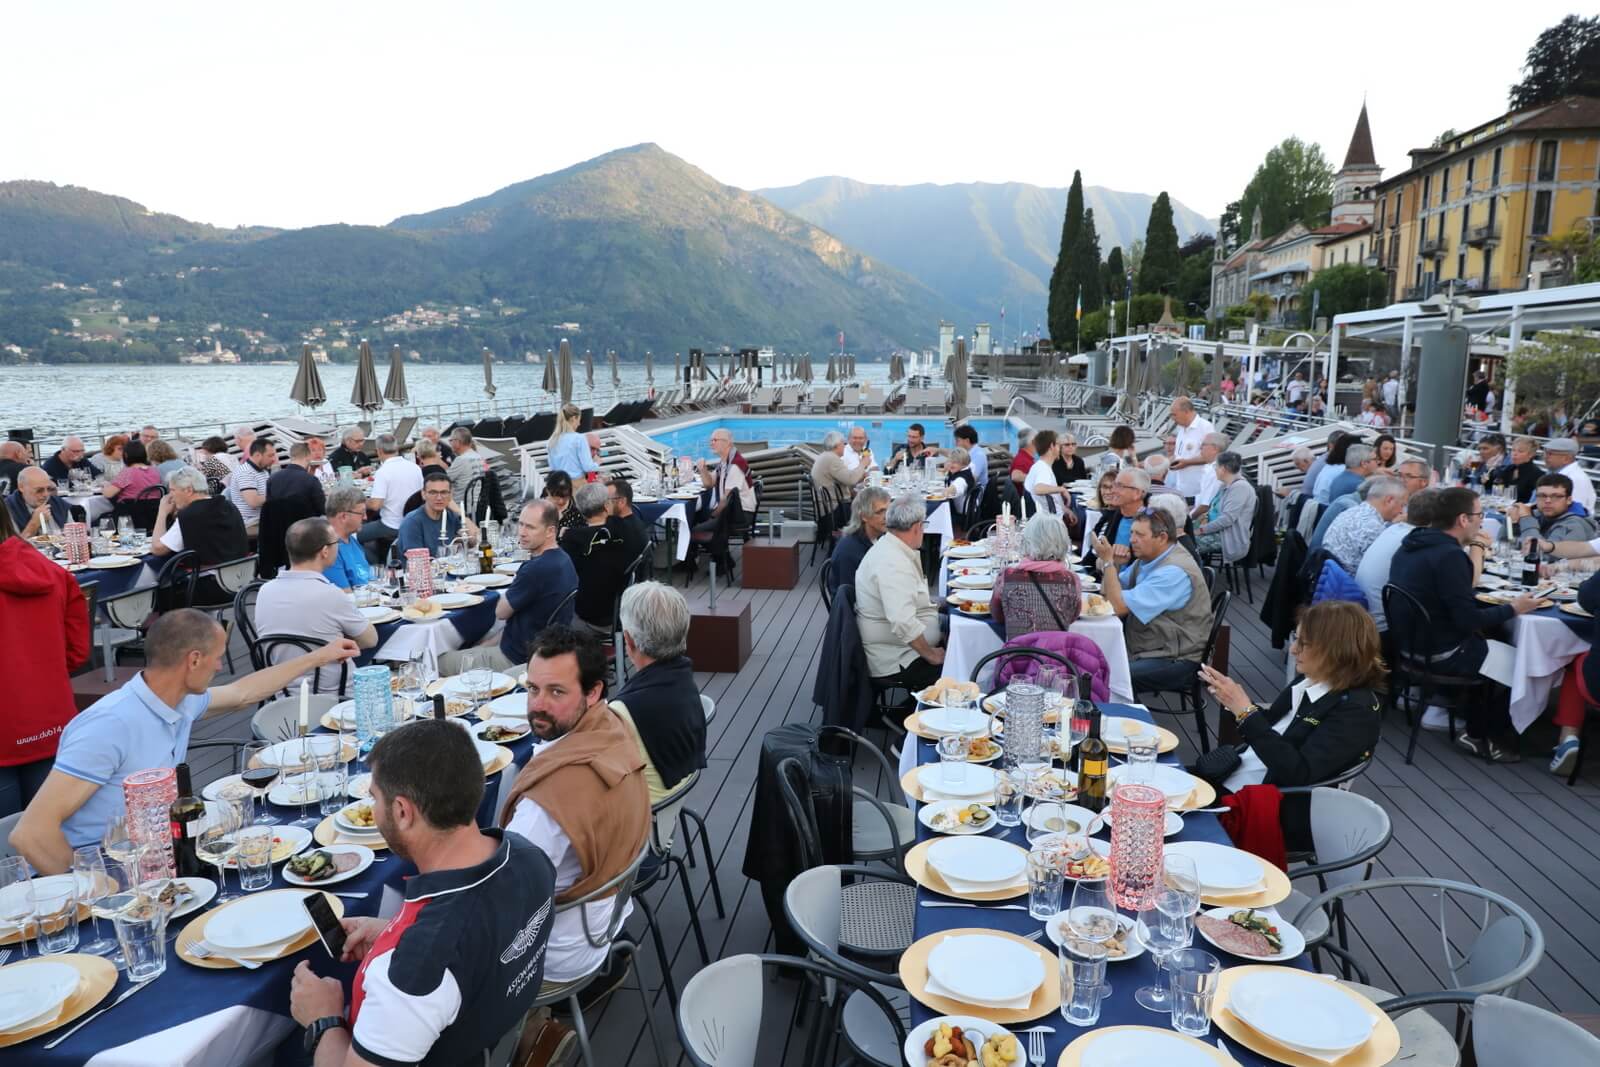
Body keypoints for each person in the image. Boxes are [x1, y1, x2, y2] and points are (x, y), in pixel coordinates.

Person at [288, 719, 555, 1067]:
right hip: (489, 1036)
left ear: (402, 811)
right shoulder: (529, 856)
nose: (375, 810)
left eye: (374, 799)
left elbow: (438, 958)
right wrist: (392, 933)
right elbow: (483, 934)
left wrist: (322, 1020)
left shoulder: (414, 977)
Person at [10, 610, 359, 870]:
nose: (221, 666)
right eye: (218, 657)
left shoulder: (178, 699)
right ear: (193, 660)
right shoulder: (109, 725)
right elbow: (30, 834)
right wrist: (98, 893)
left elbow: (242, 693)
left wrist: (319, 656)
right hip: (115, 869)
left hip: (165, 855)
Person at [500, 625, 650, 1059]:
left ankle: (526, 1035)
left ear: (592, 692)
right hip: (608, 918)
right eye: (532, 689)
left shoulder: (546, 809)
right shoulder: (613, 727)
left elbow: (498, 900)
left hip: (561, 951)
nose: (537, 707)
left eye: (556, 693)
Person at [1388, 487, 1541, 761]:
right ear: (1462, 519)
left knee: (1498, 641)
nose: (1481, 521)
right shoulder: (1450, 556)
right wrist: (1514, 608)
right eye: (1479, 515)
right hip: (1440, 652)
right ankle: (1482, 734)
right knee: (1528, 665)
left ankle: (1468, 714)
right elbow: (1467, 620)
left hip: (1408, 645)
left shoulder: (1412, 542)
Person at [1197, 601, 1384, 793]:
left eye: (1304, 643)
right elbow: (1272, 726)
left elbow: (1298, 774)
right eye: (1296, 638)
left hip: (1259, 803)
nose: (1293, 649)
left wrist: (1245, 712)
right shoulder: (1309, 680)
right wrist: (1233, 702)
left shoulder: (1356, 713)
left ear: (1336, 651)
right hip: (1233, 776)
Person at [0, 503, 87, 817]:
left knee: (7, 853)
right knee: (50, 831)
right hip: (51, 715)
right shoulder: (52, 571)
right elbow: (77, 651)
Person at [1090, 507, 1212, 692]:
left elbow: (1116, 606)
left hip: (1176, 659)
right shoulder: (1149, 558)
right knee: (1089, 661)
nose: (1131, 540)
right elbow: (1111, 595)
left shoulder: (1174, 572)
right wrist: (1113, 565)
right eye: (1132, 533)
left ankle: (1122, 716)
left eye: (1139, 534)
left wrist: (1108, 562)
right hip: (1151, 645)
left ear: (1162, 537)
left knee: (1106, 676)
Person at [609, 583, 707, 806]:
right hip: (672, 803)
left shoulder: (622, 712)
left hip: (644, 824)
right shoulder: (683, 679)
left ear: (629, 640)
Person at [254, 518, 379, 681]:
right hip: (335, 691)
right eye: (336, 543)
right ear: (325, 551)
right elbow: (370, 640)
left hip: (280, 688)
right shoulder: (331, 594)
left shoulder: (264, 591)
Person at [854, 495, 944, 690]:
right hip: (896, 658)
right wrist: (931, 655)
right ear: (917, 527)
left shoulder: (891, 546)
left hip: (900, 646)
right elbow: (903, 622)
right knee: (961, 667)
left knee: (954, 627)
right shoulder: (893, 564)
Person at [495, 500, 579, 670]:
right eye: (521, 524)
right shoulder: (564, 559)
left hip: (520, 658)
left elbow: (500, 613)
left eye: (530, 527)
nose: (522, 533)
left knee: (443, 660)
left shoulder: (534, 569)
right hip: (550, 647)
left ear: (550, 531)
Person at [150, 467, 249, 602]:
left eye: (172, 490)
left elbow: (157, 549)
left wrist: (162, 513)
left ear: (189, 490)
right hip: (241, 581)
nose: (170, 496)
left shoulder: (190, 515)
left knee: (154, 596)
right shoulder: (228, 505)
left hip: (210, 587)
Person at [991, 512, 1082, 639]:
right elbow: (1071, 617)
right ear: (1063, 542)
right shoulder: (1071, 580)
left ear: (1026, 541)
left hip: (1017, 656)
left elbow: (998, 616)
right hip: (1056, 656)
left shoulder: (1007, 576)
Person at [1356, 489, 1437, 633]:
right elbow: (1465, 584)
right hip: (1383, 631)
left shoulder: (1395, 529)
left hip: (1365, 618)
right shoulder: (1415, 541)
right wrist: (1477, 545)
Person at [561, 483, 630, 643]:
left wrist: (567, 534)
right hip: (619, 612)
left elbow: (562, 577)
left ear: (579, 509)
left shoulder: (572, 540)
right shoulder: (621, 528)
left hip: (589, 619)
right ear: (606, 505)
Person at [693, 428, 755, 574]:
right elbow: (709, 483)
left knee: (696, 531)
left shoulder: (734, 466)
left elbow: (725, 501)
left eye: (715, 440)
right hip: (733, 510)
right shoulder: (725, 462)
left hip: (741, 514)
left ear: (727, 443)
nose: (711, 443)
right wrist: (703, 469)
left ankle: (722, 561)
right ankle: (723, 559)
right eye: (711, 440)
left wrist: (713, 515)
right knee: (700, 516)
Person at [1322, 475, 1408, 574]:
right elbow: (1383, 569)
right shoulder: (1372, 527)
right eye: (1402, 505)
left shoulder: (1352, 511)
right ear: (1389, 500)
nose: (1402, 511)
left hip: (1330, 579)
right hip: (1348, 585)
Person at [359, 434, 423, 563]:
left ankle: (375, 565)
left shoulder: (383, 472)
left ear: (379, 451)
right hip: (413, 521)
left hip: (391, 524)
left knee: (351, 536)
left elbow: (375, 505)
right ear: (397, 448)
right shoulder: (415, 468)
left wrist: (359, 501)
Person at [1509, 474, 1598, 560]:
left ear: (1569, 500)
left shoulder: (1575, 524)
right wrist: (1512, 522)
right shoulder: (1536, 514)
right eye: (1542, 496)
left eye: (1556, 496)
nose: (1548, 501)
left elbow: (1541, 557)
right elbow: (1505, 545)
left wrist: (1526, 518)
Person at [1194, 451, 1256, 564]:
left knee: (1187, 544)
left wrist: (1201, 530)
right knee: (1180, 533)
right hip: (1217, 531)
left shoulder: (1240, 488)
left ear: (1223, 469)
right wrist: (1203, 520)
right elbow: (1214, 510)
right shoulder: (1225, 485)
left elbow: (1227, 519)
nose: (1215, 470)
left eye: (1215, 466)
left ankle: (1197, 576)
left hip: (1227, 538)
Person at [396, 471, 479, 556]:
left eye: (444, 492)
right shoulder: (412, 522)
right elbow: (417, 561)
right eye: (433, 492)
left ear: (450, 495)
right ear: (424, 494)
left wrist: (459, 511)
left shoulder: (450, 515)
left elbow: (474, 540)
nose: (439, 498)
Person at [828, 486, 890, 596]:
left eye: (888, 510)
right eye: (880, 512)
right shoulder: (848, 551)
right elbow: (849, 598)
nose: (886, 517)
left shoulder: (880, 537)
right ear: (864, 516)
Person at [1088, 467, 1150, 564]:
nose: (1113, 490)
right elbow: (1092, 558)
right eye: (1114, 485)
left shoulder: (1150, 525)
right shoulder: (1111, 517)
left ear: (1137, 493)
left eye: (1120, 486)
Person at [322, 484, 373, 591]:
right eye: (362, 513)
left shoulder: (351, 540)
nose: (365, 517)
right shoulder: (330, 550)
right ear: (344, 516)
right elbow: (344, 596)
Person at [1168, 397, 1217, 501]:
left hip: (1197, 490)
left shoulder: (1205, 427)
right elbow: (1178, 455)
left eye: (1174, 414)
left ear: (1186, 412)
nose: (1172, 418)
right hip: (1179, 487)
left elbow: (1212, 456)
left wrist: (1187, 462)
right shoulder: (1181, 428)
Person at [223, 437, 275, 535]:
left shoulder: (263, 471)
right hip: (250, 523)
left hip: (260, 518)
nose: (273, 459)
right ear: (257, 455)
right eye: (270, 456)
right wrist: (277, 494)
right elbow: (253, 501)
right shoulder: (245, 472)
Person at [5, 466, 72, 537]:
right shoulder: (7, 509)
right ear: (21, 487)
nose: (46, 494)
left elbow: (73, 535)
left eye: (49, 489)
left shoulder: (58, 504)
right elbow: (11, 547)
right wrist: (34, 523)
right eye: (39, 490)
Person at [266, 440, 326, 515]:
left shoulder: (272, 479)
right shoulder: (311, 480)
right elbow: (322, 509)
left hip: (279, 524)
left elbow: (268, 507)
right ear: (308, 457)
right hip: (306, 524)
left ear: (291, 457)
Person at [547, 402, 601, 482]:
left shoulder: (551, 441)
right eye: (579, 420)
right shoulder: (579, 438)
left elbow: (552, 468)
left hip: (559, 484)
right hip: (576, 483)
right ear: (574, 418)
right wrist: (597, 462)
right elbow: (588, 468)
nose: (579, 424)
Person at [1542, 438, 1596, 516]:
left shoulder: (1576, 479)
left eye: (1550, 454)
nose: (1545, 457)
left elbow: (1576, 513)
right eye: (1545, 453)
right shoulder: (1552, 473)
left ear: (1566, 459)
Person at [1022, 429, 1069, 518]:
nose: (1060, 449)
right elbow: (1039, 489)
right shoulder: (1042, 469)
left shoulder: (1039, 466)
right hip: (1051, 523)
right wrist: (1061, 489)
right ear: (1052, 446)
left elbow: (1052, 498)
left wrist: (1065, 510)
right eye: (1059, 445)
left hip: (1049, 518)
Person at [810, 430, 867, 501]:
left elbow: (846, 480)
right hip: (835, 506)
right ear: (837, 445)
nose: (844, 446)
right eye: (843, 444)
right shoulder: (831, 459)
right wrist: (863, 463)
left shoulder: (826, 456)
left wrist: (860, 477)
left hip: (829, 502)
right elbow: (850, 479)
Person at [102, 439, 163, 506]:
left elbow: (109, 494)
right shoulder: (155, 470)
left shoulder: (128, 472)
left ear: (126, 455)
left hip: (132, 511)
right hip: (154, 509)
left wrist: (104, 487)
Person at [605, 476, 650, 565]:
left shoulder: (618, 528)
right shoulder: (634, 523)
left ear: (622, 502)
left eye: (607, 500)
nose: (603, 504)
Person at [1491, 435, 1543, 504]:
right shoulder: (1509, 468)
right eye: (1513, 450)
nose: (1514, 454)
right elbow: (1496, 486)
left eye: (1520, 451)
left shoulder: (1537, 474)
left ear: (1531, 454)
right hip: (1502, 507)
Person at [1188, 432, 1229, 516]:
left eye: (1203, 444)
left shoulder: (1216, 471)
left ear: (1215, 448)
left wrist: (1188, 520)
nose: (1200, 448)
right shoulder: (1211, 468)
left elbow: (1205, 506)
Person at [446, 426, 487, 502]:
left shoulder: (461, 459)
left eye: (451, 440)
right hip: (479, 501)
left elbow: (445, 480)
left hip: (462, 505)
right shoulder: (479, 456)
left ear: (457, 442)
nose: (450, 443)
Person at [955, 425, 992, 495]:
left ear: (967, 441)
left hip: (974, 497)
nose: (956, 444)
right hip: (969, 492)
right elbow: (952, 454)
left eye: (958, 441)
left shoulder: (978, 456)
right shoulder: (970, 452)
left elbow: (970, 480)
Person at [944, 447, 978, 520]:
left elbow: (955, 487)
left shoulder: (962, 478)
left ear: (963, 464)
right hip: (965, 512)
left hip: (963, 517)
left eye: (955, 462)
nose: (951, 464)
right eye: (950, 461)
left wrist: (946, 491)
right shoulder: (965, 469)